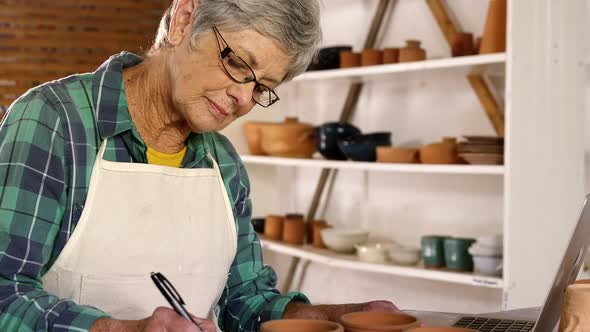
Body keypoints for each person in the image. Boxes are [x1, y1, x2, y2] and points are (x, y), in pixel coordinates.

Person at [0, 0, 397, 331]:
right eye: (239, 64)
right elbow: (5, 292)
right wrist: (117, 329)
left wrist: (337, 318)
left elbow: (247, 302)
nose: (243, 98)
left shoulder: (222, 163)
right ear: (185, 19)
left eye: (261, 87)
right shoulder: (54, 121)